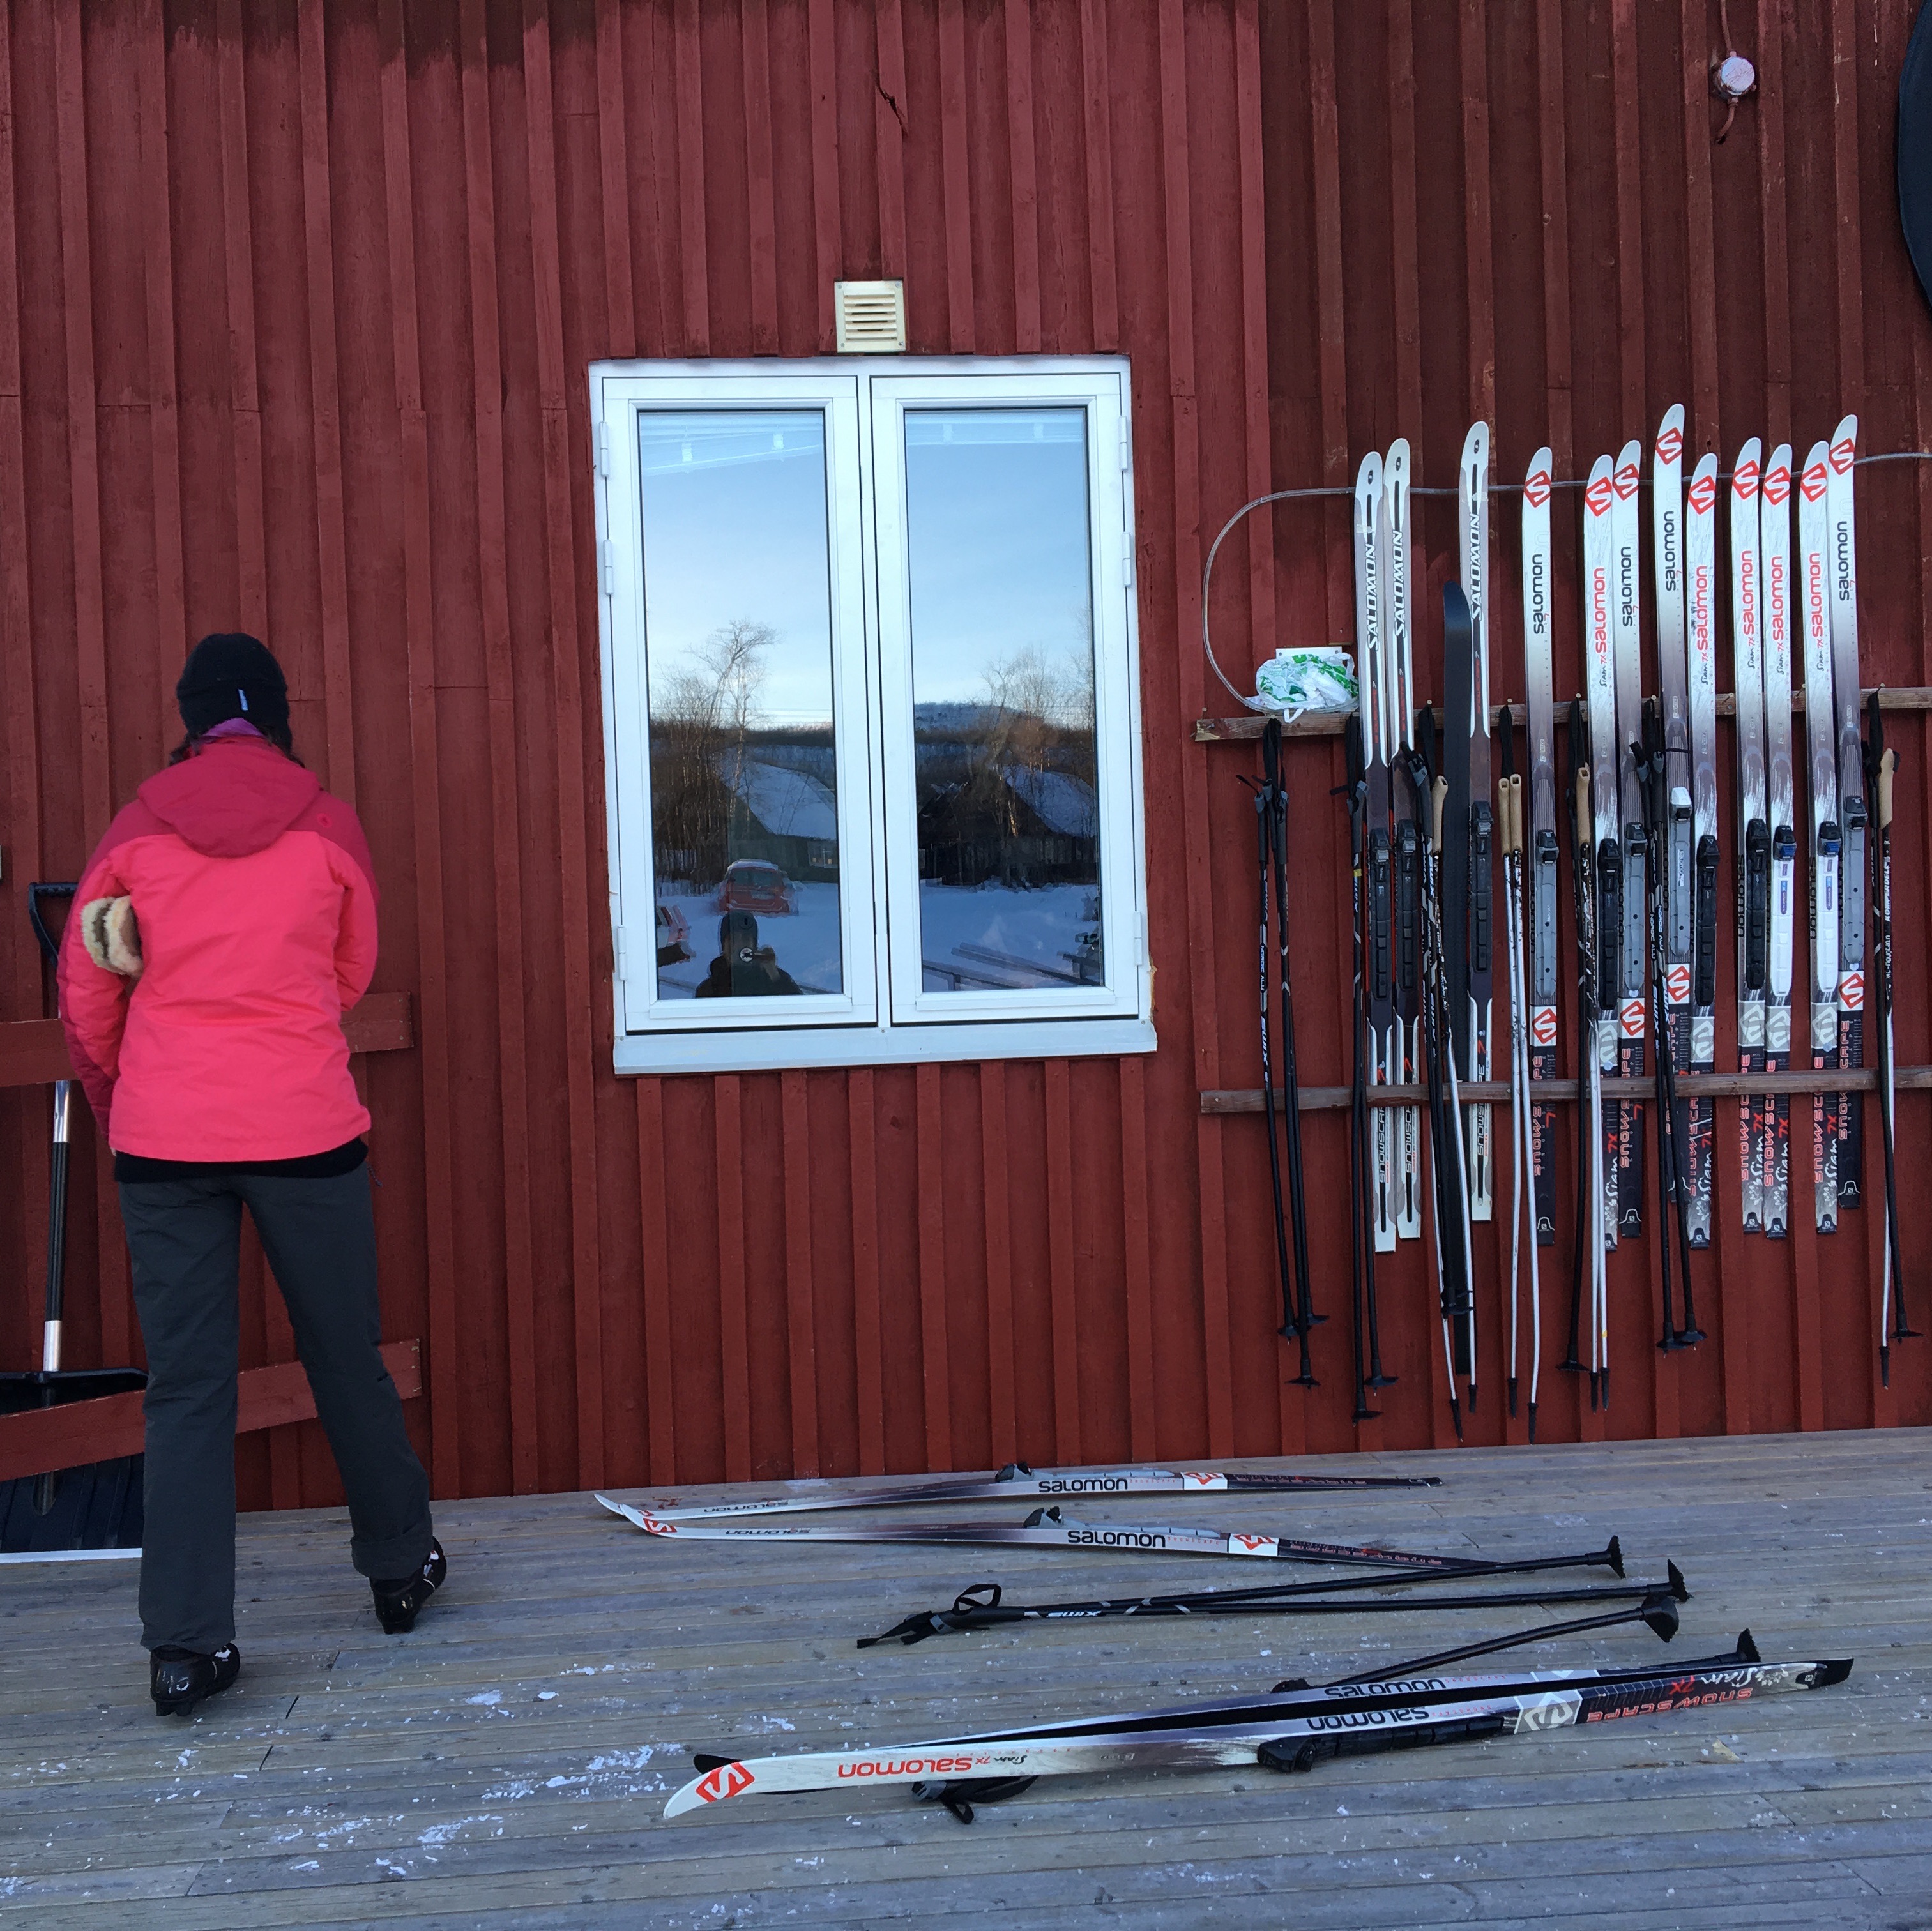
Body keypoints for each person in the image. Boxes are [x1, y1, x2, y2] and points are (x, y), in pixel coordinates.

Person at [58, 633, 443, 1719]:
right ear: (276, 714)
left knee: (187, 1387)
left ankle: (186, 1646)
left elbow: (88, 992)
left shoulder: (135, 829)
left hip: (165, 1138)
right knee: (344, 1354)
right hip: (303, 1127)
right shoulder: (326, 823)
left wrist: (117, 1093)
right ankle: (399, 1569)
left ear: (188, 717)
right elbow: (349, 967)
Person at [693, 908, 803, 997]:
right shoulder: (708, 990)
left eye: (745, 939)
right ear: (723, 947)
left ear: (754, 945)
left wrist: (774, 975)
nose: (739, 945)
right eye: (733, 940)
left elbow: (799, 1013)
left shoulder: (772, 978)